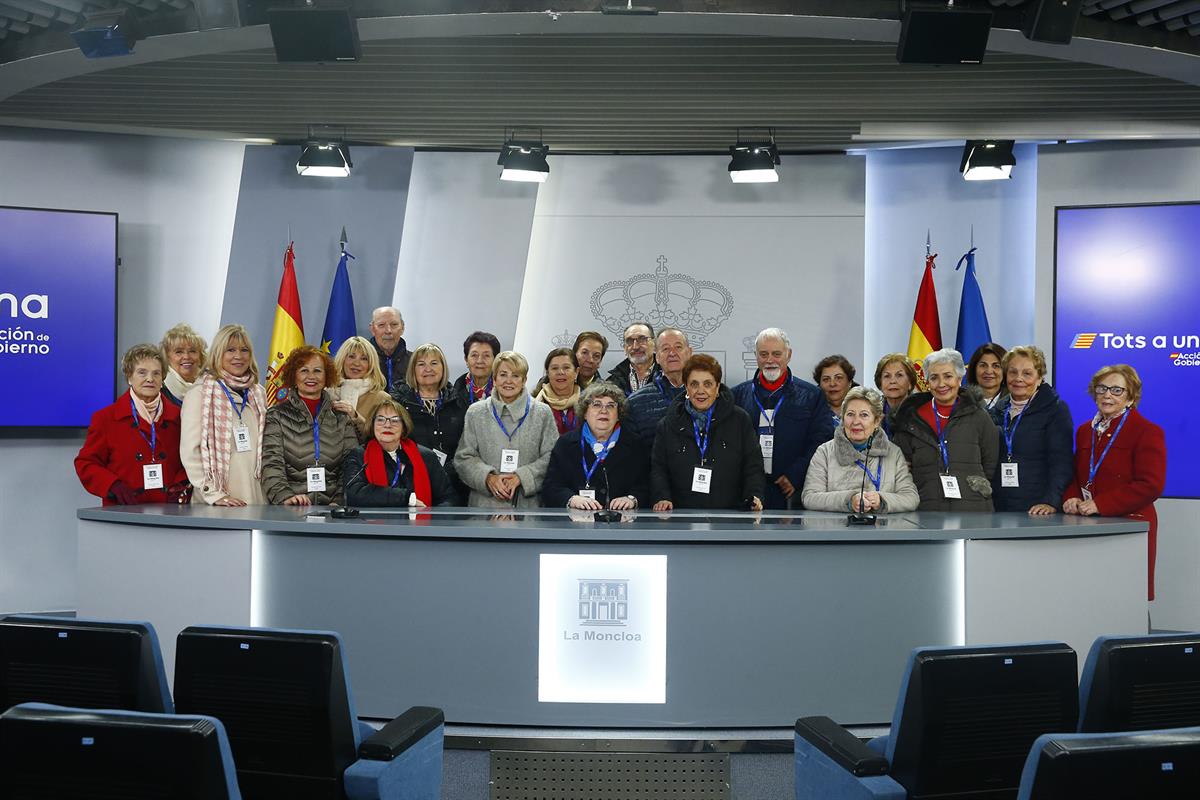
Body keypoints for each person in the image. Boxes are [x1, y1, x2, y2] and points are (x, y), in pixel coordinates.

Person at [1063, 365, 1166, 601]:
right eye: (1102, 388)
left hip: (1130, 526)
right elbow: (1076, 474)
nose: (1108, 395)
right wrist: (1070, 496)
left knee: (1127, 597)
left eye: (1117, 390)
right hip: (1088, 523)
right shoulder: (1083, 431)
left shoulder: (1147, 431)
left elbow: (1151, 485)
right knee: (1091, 594)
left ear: (1130, 397)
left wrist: (1102, 504)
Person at [75, 344, 191, 505]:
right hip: (124, 511)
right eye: (142, 372)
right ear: (129, 377)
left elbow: (194, 458)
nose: (150, 379)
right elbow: (86, 463)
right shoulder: (105, 418)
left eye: (156, 373)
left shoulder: (180, 416)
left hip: (170, 510)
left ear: (163, 379)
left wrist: (181, 484)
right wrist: (113, 485)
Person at [732, 328, 834, 510]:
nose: (770, 360)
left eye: (776, 354)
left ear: (789, 355)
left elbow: (821, 441)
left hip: (792, 491)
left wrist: (796, 474)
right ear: (756, 356)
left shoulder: (812, 396)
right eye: (764, 354)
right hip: (747, 492)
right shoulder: (738, 395)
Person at [651, 354, 765, 511]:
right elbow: (659, 468)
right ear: (686, 387)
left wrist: (754, 496)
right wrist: (662, 497)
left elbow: (753, 466)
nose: (701, 391)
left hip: (730, 515)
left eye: (708, 384)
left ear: (717, 387)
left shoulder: (740, 420)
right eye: (694, 384)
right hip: (680, 515)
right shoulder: (668, 424)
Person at [891, 348, 999, 511]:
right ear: (927, 382)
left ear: (959, 378)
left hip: (973, 508)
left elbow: (990, 464)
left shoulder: (979, 417)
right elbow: (902, 466)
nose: (941, 384)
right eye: (934, 378)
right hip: (926, 506)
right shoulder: (910, 419)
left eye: (948, 376)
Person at [454, 351, 559, 508]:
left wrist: (522, 477)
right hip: (484, 508)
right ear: (494, 379)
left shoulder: (542, 413)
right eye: (503, 375)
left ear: (524, 380)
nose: (509, 381)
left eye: (516, 376)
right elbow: (464, 458)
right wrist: (488, 478)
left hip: (528, 508)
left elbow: (552, 457)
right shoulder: (476, 412)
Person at [180, 324, 268, 506]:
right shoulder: (200, 394)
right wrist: (214, 494)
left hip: (258, 497)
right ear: (218, 354)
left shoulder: (259, 393)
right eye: (230, 350)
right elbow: (191, 452)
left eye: (244, 350)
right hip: (218, 500)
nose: (238, 356)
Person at [260, 345, 360, 506]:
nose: (311, 376)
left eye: (318, 371)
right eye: (304, 370)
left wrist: (340, 500)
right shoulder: (276, 415)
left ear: (327, 376)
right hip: (291, 510)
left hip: (333, 510)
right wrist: (285, 497)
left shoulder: (341, 418)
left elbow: (351, 465)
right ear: (294, 376)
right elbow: (272, 463)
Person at [801, 387, 919, 513]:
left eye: (864, 415)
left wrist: (882, 499)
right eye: (850, 414)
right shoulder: (824, 452)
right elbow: (809, 497)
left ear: (877, 421)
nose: (856, 422)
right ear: (842, 417)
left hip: (881, 530)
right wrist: (849, 500)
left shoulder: (893, 453)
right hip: (836, 529)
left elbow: (911, 498)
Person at [988, 346, 1074, 516]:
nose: (1018, 378)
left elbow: (1062, 462)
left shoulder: (1055, 410)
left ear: (1040, 377)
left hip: (1037, 508)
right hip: (999, 504)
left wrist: (1051, 501)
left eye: (1027, 373)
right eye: (1012, 372)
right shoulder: (996, 411)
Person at [543, 382, 651, 510]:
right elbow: (551, 486)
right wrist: (571, 499)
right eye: (597, 405)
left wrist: (632, 499)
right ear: (584, 412)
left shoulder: (635, 444)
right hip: (577, 522)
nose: (604, 411)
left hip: (622, 523)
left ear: (618, 414)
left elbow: (647, 484)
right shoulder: (566, 444)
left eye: (611, 406)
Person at [343, 398, 456, 507]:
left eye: (395, 420)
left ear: (404, 426)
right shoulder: (359, 455)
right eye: (381, 419)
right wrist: (406, 498)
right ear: (372, 425)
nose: (387, 425)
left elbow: (448, 498)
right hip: (375, 524)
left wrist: (433, 521)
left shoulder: (426, 456)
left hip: (420, 525)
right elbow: (353, 493)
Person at [394, 342, 468, 500]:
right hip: (411, 484)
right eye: (421, 364)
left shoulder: (459, 402)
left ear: (443, 368)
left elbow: (465, 447)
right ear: (413, 370)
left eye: (434, 363)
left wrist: (446, 472)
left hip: (452, 485)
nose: (428, 369)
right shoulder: (400, 403)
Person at [626, 328, 693, 445]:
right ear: (657, 357)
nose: (672, 353)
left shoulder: (710, 395)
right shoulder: (635, 402)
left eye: (678, 347)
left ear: (689, 352)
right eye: (665, 348)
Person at [330, 336, 392, 441]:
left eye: (364, 359)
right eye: (351, 356)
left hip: (364, 455)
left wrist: (355, 416)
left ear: (371, 365)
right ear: (342, 359)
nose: (357, 363)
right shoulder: (327, 393)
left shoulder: (382, 399)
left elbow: (383, 437)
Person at [606, 321, 661, 396]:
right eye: (629, 341)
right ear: (625, 348)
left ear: (654, 344)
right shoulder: (612, 383)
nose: (635, 347)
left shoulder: (668, 375)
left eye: (642, 339)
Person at [535, 348, 580, 435]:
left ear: (576, 372)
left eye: (566, 367)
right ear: (547, 373)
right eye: (555, 368)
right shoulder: (535, 404)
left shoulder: (588, 403)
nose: (560, 372)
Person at [159, 323, 207, 406]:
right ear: (167, 357)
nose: (186, 356)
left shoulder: (212, 385)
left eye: (192, 351)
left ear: (200, 355)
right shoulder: (159, 390)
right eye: (179, 352)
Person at [368, 306, 410, 394]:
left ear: (402, 328)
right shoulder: (361, 362)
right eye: (381, 325)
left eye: (394, 325)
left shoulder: (415, 362)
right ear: (372, 329)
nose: (388, 331)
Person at [873, 353, 918, 435]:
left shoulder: (921, 412)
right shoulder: (871, 410)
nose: (893, 381)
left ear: (910, 383)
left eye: (899, 375)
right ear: (880, 383)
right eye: (887, 376)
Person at [452, 331, 501, 405]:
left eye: (486, 355)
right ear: (466, 360)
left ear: (495, 360)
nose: (480, 361)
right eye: (474, 355)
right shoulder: (456, 390)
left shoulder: (504, 388)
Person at [814, 354, 857, 427]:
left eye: (838, 378)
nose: (832, 384)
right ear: (820, 385)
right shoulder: (811, 412)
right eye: (826, 379)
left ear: (850, 383)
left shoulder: (864, 409)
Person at [968, 343, 1008, 412]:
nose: (989, 371)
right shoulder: (962, 402)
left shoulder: (1015, 402)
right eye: (983, 365)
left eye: (996, 366)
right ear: (974, 369)